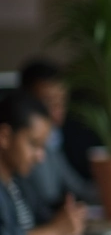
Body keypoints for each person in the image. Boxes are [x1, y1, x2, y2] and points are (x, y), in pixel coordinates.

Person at [0, 92, 87, 235]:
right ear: (4, 136)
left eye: (43, 147)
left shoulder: (19, 182)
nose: (40, 157)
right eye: (33, 144)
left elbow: (42, 218)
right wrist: (54, 232)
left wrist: (67, 216)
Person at [18, 59, 97, 206]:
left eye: (62, 101)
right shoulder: (19, 147)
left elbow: (77, 187)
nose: (58, 109)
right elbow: (46, 194)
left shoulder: (55, 137)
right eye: (48, 101)